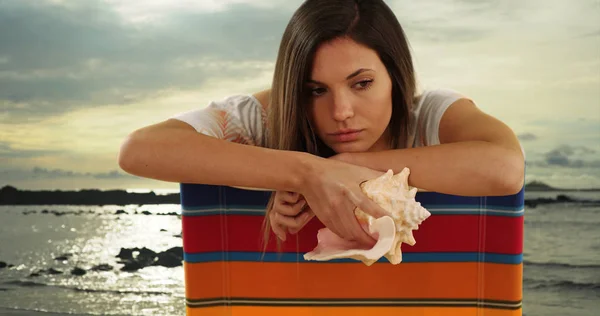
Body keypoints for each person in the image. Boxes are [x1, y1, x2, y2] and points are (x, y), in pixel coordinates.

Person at [118, 0, 525, 248]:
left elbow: (505, 167)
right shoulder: (264, 114)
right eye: (315, 90)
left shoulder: (430, 113)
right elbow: (140, 150)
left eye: (362, 83)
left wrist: (346, 167)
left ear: (395, 76)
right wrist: (308, 172)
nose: (341, 111)